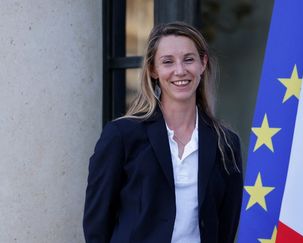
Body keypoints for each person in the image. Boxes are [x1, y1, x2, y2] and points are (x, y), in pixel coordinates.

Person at [83, 22, 243, 243]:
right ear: (153, 70)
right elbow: (97, 224)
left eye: (189, 59)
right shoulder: (121, 136)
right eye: (167, 61)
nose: (180, 70)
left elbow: (226, 226)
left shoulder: (225, 143)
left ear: (202, 63)